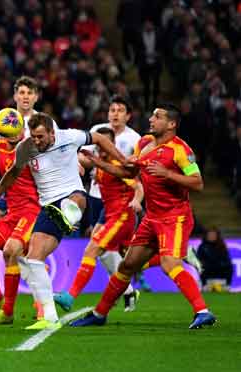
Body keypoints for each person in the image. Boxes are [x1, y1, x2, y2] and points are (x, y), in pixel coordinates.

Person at [71, 104, 216, 329]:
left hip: (175, 217)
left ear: (171, 124)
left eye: (157, 117)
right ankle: (99, 315)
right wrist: (99, 162)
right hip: (152, 217)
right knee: (127, 266)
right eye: (152, 115)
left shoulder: (180, 150)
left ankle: (202, 311)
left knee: (170, 264)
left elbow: (198, 182)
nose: (151, 119)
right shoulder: (144, 143)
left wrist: (168, 174)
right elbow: (129, 172)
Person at [0, 113, 127, 329]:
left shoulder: (70, 137)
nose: (36, 141)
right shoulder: (26, 148)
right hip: (47, 206)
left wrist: (122, 160)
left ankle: (69, 217)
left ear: (51, 133)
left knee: (74, 201)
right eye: (34, 137)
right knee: (33, 259)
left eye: (40, 137)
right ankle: (49, 317)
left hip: (73, 195)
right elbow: (11, 174)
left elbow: (100, 139)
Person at [54, 127, 143, 314]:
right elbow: (78, 157)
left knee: (93, 249)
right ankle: (128, 291)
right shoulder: (99, 163)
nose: (102, 149)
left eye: (106, 145)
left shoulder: (118, 165)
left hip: (121, 216)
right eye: (99, 145)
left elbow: (137, 186)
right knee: (113, 255)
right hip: (110, 214)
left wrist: (136, 200)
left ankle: (71, 296)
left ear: (112, 145)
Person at [0, 116, 41, 325]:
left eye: (20, 130)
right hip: (11, 213)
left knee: (12, 250)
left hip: (32, 211)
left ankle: (8, 311)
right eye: (11, 134)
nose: (18, 135)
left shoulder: (32, 147)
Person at [0, 76, 56, 231]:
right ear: (15, 96)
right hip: (10, 187)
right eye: (22, 92)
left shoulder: (43, 122)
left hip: (36, 190)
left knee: (29, 236)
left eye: (30, 93)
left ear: (36, 97)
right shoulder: (4, 118)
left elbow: (57, 148)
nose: (25, 96)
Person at [81, 96, 141, 235]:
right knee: (97, 237)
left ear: (128, 116)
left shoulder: (135, 138)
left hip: (121, 196)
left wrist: (137, 199)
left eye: (120, 110)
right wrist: (85, 164)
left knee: (102, 239)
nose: (115, 113)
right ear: (108, 113)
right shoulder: (97, 130)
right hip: (96, 193)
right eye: (112, 110)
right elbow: (85, 156)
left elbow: (136, 173)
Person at [197, 227, 233, 291]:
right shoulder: (202, 246)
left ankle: (227, 286)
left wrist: (222, 264)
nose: (211, 237)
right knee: (201, 268)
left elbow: (226, 258)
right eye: (210, 235)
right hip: (208, 267)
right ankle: (204, 285)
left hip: (219, 267)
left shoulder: (221, 246)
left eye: (213, 235)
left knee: (230, 267)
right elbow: (199, 259)